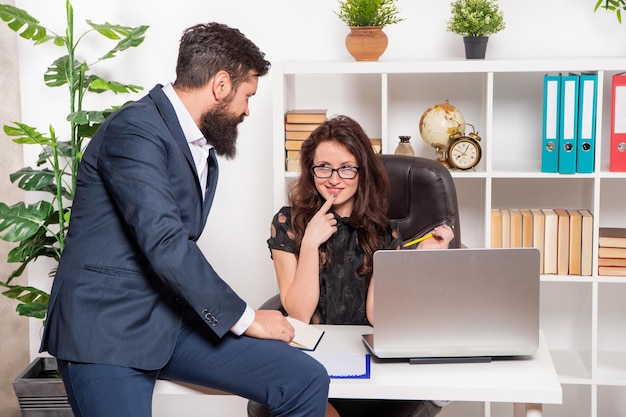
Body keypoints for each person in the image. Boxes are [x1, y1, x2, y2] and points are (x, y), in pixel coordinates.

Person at [40, 22, 329, 417]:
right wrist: (247, 319)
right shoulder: (134, 130)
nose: (247, 110)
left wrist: (240, 320)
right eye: (247, 96)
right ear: (221, 84)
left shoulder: (200, 147)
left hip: (168, 324)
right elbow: (165, 243)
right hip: (107, 332)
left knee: (303, 378)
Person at [248, 115, 454, 417]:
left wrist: (419, 257)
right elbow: (299, 313)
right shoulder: (286, 222)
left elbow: (376, 314)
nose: (334, 179)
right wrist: (310, 244)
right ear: (310, 170)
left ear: (362, 172)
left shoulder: (384, 231)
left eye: (346, 168)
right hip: (312, 356)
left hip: (364, 358)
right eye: (324, 168)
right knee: (303, 394)